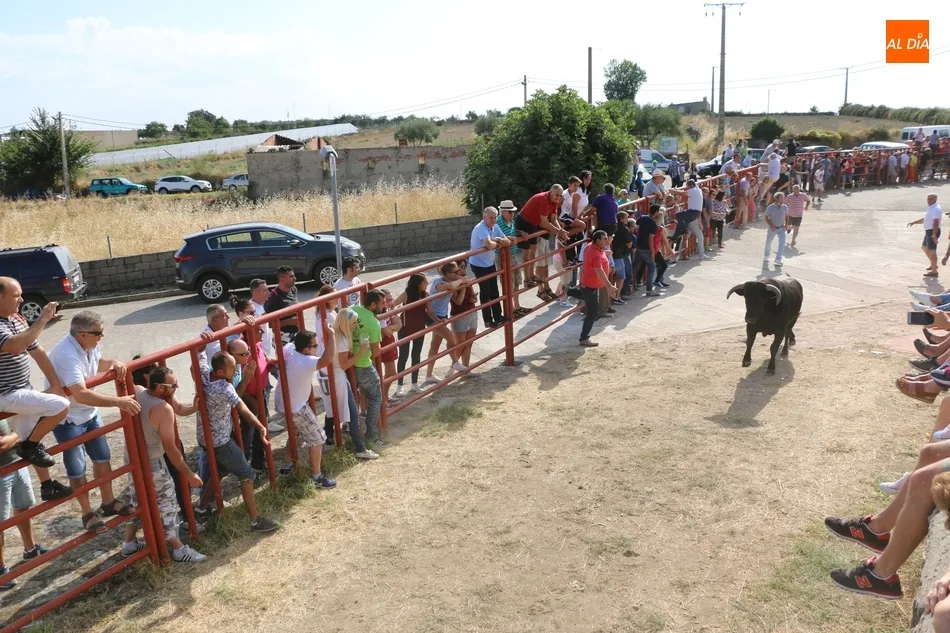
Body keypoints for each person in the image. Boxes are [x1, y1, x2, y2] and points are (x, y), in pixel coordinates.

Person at [46, 311, 140, 535]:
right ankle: (87, 513)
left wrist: (113, 363)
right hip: (68, 418)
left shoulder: (88, 345)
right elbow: (81, 394)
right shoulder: (65, 354)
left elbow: (95, 363)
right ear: (81, 334)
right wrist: (118, 401)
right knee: (77, 468)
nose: (102, 336)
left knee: (103, 458)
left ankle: (108, 502)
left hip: (89, 414)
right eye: (98, 332)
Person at [120, 366, 206, 563]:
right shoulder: (163, 409)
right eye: (173, 385)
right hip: (153, 462)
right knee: (167, 503)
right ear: (160, 387)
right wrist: (189, 473)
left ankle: (129, 543)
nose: (177, 387)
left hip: (133, 459)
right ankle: (178, 549)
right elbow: (170, 447)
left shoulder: (139, 393)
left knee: (138, 500)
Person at [194, 351, 279, 532]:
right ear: (219, 372)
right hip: (221, 441)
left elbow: (198, 357)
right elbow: (242, 408)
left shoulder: (203, 374)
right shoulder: (224, 388)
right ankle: (256, 520)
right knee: (247, 473)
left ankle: (201, 508)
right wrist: (260, 427)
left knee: (220, 470)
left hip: (204, 437)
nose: (236, 370)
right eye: (232, 367)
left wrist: (202, 343)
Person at [0, 277, 70, 471]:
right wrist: (42, 319)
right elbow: (15, 346)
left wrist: (55, 384)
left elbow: (37, 351)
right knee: (61, 406)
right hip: (6, 393)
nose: (21, 300)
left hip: (21, 389)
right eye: (16, 295)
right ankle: (28, 447)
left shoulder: (15, 319)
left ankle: (46, 484)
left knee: (29, 435)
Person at [274, 331, 338, 487]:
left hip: (283, 403)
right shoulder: (306, 361)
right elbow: (327, 359)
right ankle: (317, 477)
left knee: (296, 432)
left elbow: (281, 350)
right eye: (315, 346)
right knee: (318, 438)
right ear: (306, 349)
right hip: (296, 407)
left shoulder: (290, 349)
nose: (317, 348)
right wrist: (332, 336)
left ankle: (286, 466)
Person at [0, 418, 48, 590]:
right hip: (2, 469)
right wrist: (22, 434)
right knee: (1, 523)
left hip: (16, 461)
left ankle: (30, 548)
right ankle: (1, 569)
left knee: (22, 506)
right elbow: (2, 444)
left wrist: (19, 435)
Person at [325, 310, 378, 460]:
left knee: (331, 409)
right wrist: (361, 352)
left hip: (329, 376)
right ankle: (360, 448)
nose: (356, 325)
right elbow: (343, 365)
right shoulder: (341, 339)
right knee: (353, 414)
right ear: (345, 324)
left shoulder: (335, 333)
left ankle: (329, 438)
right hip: (338, 377)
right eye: (353, 322)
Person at [350, 290, 388, 446]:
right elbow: (376, 351)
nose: (384, 306)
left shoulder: (353, 309)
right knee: (376, 397)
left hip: (348, 362)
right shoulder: (374, 323)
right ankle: (372, 435)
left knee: (353, 399)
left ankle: (351, 432)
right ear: (372, 305)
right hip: (364, 365)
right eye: (382, 303)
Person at [515, 185, 568, 288]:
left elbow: (553, 219)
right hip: (523, 221)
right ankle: (527, 279)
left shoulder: (555, 201)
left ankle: (531, 276)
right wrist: (559, 232)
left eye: (560, 195)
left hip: (533, 223)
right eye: (557, 195)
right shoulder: (543, 199)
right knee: (526, 252)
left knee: (533, 251)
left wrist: (560, 231)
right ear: (551, 192)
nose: (558, 197)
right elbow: (544, 223)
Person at [423, 263, 466, 386]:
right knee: (452, 338)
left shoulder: (454, 281)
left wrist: (463, 287)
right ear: (447, 274)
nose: (458, 273)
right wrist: (462, 280)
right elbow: (449, 286)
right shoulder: (438, 282)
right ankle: (455, 362)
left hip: (442, 316)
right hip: (431, 316)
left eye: (458, 271)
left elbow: (458, 301)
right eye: (455, 272)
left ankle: (429, 375)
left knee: (435, 346)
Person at [468, 207, 509, 329]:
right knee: (485, 291)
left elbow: (507, 241)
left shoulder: (495, 226)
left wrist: (498, 240)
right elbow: (489, 245)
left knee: (494, 290)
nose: (493, 220)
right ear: (484, 217)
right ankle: (488, 320)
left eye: (495, 217)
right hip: (479, 264)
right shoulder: (480, 228)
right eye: (490, 217)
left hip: (489, 263)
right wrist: (497, 242)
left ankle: (498, 316)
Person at [578, 230, 618, 348]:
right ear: (597, 240)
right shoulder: (595, 253)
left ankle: (567, 290)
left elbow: (592, 257)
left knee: (584, 295)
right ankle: (584, 338)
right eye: (605, 238)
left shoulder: (591, 247)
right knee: (593, 313)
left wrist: (605, 252)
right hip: (591, 285)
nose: (607, 240)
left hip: (589, 284)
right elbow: (599, 270)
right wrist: (609, 285)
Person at [393, 274, 428, 396]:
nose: (427, 284)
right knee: (403, 356)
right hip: (405, 329)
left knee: (416, 355)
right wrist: (396, 318)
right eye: (425, 282)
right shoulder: (405, 295)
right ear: (418, 283)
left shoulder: (425, 295)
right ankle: (400, 385)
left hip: (419, 329)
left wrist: (438, 321)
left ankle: (414, 383)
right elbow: (393, 305)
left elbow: (430, 311)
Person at [496, 200, 530, 317]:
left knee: (516, 282)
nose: (512, 214)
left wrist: (520, 232)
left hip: (512, 255)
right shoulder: (497, 223)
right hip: (503, 257)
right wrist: (508, 238)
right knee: (508, 283)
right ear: (503, 212)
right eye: (510, 212)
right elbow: (495, 237)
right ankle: (510, 309)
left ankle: (517, 306)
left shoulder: (510, 222)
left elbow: (512, 232)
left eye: (513, 212)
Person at [450, 260, 478, 370]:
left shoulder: (466, 278)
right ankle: (454, 366)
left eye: (465, 266)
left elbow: (472, 296)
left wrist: (473, 298)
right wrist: (463, 285)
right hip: (459, 315)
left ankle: (465, 368)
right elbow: (458, 301)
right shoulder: (452, 283)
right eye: (461, 267)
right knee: (460, 345)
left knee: (469, 343)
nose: (463, 269)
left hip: (471, 311)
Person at [907, 194, 943, 278]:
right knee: (924, 247)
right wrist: (914, 222)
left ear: (935, 199)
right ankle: (933, 265)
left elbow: (936, 222)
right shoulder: (931, 208)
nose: (929, 200)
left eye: (931, 199)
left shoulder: (936, 209)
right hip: (929, 232)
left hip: (932, 232)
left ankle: (934, 271)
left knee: (932, 251)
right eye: (928, 199)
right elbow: (925, 219)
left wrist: (934, 235)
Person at [264, 266, 299, 345]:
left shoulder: (294, 289)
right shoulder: (273, 297)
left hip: (297, 334)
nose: (295, 278)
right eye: (291, 276)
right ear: (282, 279)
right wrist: (288, 322)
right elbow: (268, 324)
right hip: (283, 337)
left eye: (294, 275)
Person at [632, 205, 661, 297]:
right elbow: (650, 238)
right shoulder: (653, 224)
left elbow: (636, 228)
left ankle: (628, 286)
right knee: (652, 268)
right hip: (647, 249)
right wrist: (652, 251)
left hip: (638, 247)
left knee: (633, 267)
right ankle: (649, 290)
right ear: (656, 212)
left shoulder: (642, 217)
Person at [612, 211, 634, 298]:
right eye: (626, 218)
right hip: (620, 254)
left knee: (614, 276)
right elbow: (629, 244)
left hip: (612, 253)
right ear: (621, 219)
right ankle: (618, 296)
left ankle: (615, 295)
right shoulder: (625, 229)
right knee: (621, 276)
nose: (627, 220)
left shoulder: (613, 227)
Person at [763, 192, 789, 266]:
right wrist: (771, 226)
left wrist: (786, 224)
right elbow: (766, 217)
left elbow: (787, 216)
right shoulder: (770, 207)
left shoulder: (785, 207)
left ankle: (778, 259)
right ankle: (766, 255)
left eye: (783, 197)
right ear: (776, 198)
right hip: (772, 228)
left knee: (782, 243)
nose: (783, 199)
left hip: (781, 228)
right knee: (768, 243)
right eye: (781, 197)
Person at [249, 279, 274, 354]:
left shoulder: (260, 305)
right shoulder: (250, 309)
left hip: (265, 350)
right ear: (256, 293)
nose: (268, 293)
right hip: (259, 352)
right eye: (265, 291)